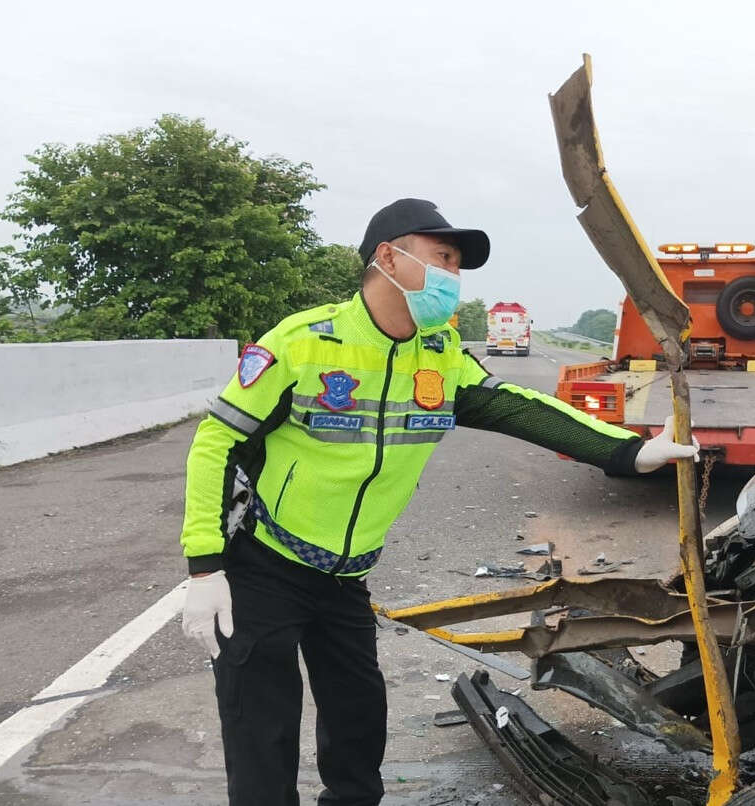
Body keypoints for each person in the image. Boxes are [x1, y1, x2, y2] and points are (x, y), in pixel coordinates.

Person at [179, 198, 698, 806]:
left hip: (346, 578)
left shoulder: (439, 353)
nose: (453, 275)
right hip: (266, 567)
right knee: (260, 736)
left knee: (358, 726)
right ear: (388, 257)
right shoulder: (302, 343)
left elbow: (517, 408)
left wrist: (629, 452)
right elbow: (216, 443)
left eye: (459, 264)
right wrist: (206, 566)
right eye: (443, 257)